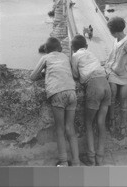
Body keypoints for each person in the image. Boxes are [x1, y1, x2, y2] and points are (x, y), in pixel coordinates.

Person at [30, 37, 80, 167]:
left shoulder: (45, 58)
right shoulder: (65, 57)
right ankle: (76, 161)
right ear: (60, 48)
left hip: (57, 93)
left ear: (46, 50)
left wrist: (44, 74)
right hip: (71, 92)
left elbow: (33, 76)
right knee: (70, 128)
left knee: (60, 129)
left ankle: (63, 162)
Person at [70, 35, 110, 166]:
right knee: (101, 123)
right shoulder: (91, 53)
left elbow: (75, 74)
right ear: (86, 46)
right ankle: (100, 157)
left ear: (72, 48)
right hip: (105, 84)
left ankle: (91, 158)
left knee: (88, 123)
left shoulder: (75, 56)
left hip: (94, 86)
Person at [104, 17, 127, 133]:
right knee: (112, 94)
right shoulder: (117, 40)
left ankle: (123, 124)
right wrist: (107, 67)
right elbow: (112, 56)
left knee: (123, 98)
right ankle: (112, 119)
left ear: (114, 31)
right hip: (114, 73)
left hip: (125, 75)